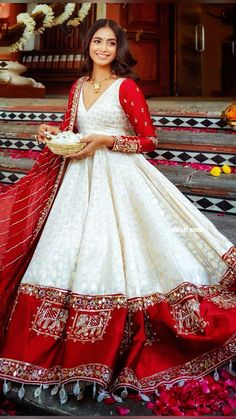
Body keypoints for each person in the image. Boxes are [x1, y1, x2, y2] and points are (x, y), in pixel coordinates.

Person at [0, 19, 235, 403]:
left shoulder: (126, 87)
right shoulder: (77, 87)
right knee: (66, 252)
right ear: (87, 45)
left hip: (120, 178)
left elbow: (148, 140)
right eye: (97, 41)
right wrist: (48, 134)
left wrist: (107, 140)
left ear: (119, 49)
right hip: (76, 181)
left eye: (111, 43)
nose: (104, 49)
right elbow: (69, 130)